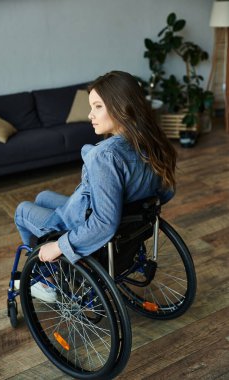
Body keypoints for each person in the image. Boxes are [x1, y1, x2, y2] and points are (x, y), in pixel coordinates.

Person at [14, 70, 177, 301]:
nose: (90, 115)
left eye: (98, 106)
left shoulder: (106, 156)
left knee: (21, 209)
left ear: (122, 107)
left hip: (81, 225)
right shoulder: (152, 142)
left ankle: (47, 278)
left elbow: (104, 223)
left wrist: (59, 247)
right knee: (42, 196)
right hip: (111, 215)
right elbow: (166, 192)